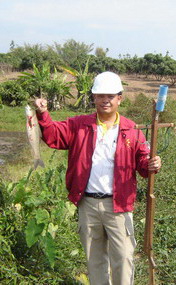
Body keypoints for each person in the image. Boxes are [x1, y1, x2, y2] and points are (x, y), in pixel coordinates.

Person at [35, 71, 161, 285]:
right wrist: (43, 114)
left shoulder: (131, 130)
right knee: (94, 259)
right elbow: (54, 135)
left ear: (119, 98)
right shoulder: (79, 125)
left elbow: (142, 164)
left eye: (110, 96)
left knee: (123, 257)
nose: (105, 100)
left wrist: (151, 164)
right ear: (93, 98)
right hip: (88, 204)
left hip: (119, 204)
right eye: (100, 95)